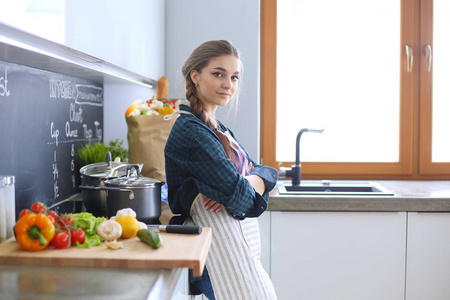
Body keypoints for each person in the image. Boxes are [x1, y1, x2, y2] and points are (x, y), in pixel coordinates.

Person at [164, 40, 278, 300]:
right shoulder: (191, 132)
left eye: (234, 77)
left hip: (242, 249)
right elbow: (240, 196)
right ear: (195, 76)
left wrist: (251, 180)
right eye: (218, 74)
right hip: (223, 253)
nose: (229, 84)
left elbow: (266, 174)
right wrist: (250, 181)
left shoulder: (217, 129)